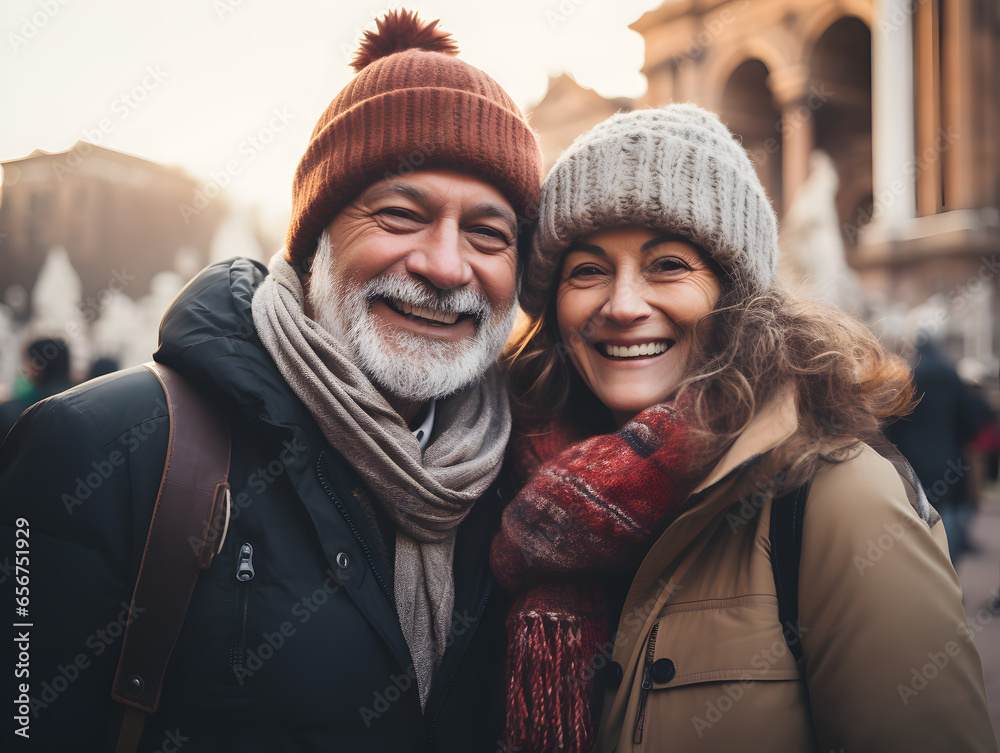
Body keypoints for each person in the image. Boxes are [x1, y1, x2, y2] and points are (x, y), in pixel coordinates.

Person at [0, 9, 541, 752]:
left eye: (488, 233)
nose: (446, 266)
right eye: (400, 214)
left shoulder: (523, 482)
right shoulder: (101, 448)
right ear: (315, 238)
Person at [490, 105, 995, 752]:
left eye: (667, 264)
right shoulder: (514, 482)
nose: (621, 305)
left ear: (735, 297)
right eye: (586, 270)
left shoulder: (836, 496)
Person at [0, 337, 72, 439]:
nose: (26, 366)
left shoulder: (17, 412)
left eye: (28, 360)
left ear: (39, 363)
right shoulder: (74, 399)